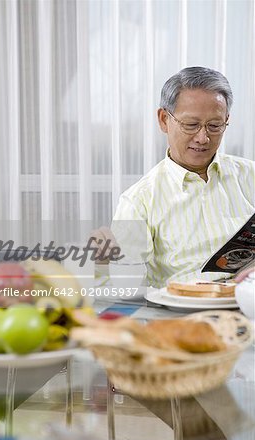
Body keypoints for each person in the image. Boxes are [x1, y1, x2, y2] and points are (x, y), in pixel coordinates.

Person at [91, 67, 255, 288]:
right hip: (181, 313)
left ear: (227, 120)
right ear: (163, 120)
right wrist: (104, 262)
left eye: (215, 126)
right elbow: (126, 287)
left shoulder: (249, 175)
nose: (203, 138)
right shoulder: (139, 200)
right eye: (191, 125)